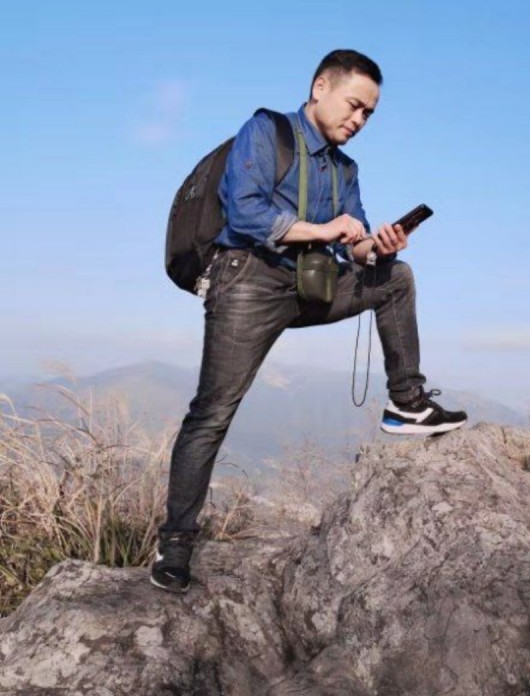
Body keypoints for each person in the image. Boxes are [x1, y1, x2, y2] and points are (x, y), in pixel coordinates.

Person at [151, 49, 467, 593]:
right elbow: (246, 211)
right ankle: (175, 542)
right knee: (212, 414)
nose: (359, 119)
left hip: (310, 285)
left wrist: (379, 245)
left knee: (396, 277)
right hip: (248, 282)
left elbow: (355, 245)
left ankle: (407, 403)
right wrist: (324, 231)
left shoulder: (346, 170)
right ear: (321, 87)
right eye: (354, 105)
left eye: (369, 114)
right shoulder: (266, 131)